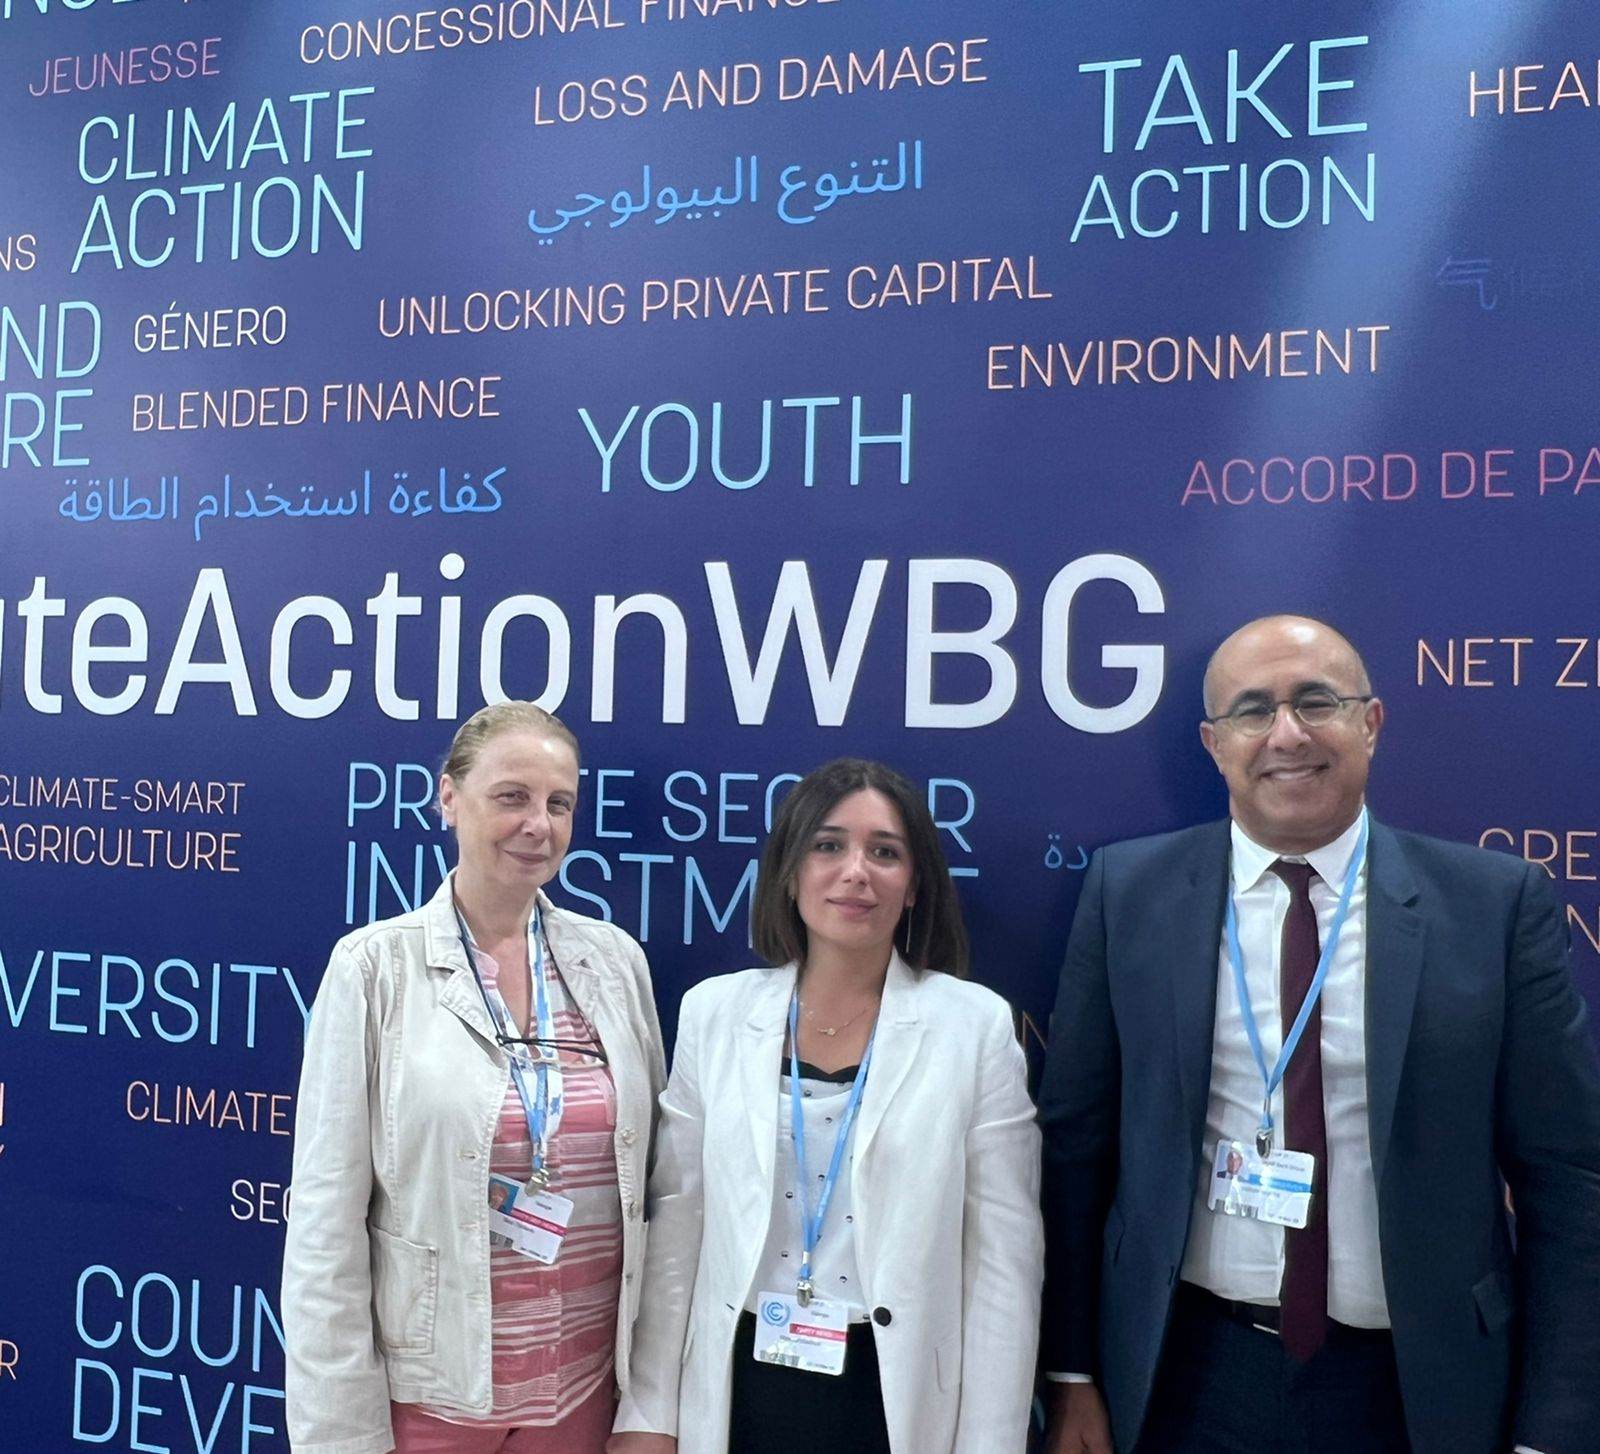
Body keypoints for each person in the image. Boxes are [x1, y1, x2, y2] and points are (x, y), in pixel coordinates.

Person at [1040, 615, 1600, 1454]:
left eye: (1316, 702)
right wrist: (1072, 1371)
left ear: (1370, 723)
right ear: (1214, 744)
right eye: (1253, 710)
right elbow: (1075, 1149)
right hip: (1185, 1377)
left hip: (1419, 1390)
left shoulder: (1494, 905)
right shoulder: (1129, 892)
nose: (1287, 735)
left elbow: (1568, 1178)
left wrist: (1553, 1430)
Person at [609, 758, 1043, 1454]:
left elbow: (1003, 1266)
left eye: (885, 852)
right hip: (736, 1389)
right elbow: (677, 1233)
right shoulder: (714, 1013)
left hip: (893, 1399)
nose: (855, 872)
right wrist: (649, 1413)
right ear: (789, 872)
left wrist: (990, 1443)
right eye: (828, 845)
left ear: (914, 886)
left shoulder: (973, 1026)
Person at [283, 702, 667, 1454]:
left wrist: (647, 1405)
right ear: (450, 798)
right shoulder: (374, 968)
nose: (538, 825)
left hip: (583, 1393)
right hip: (434, 1403)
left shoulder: (613, 963)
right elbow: (325, 1228)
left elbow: (654, 1190)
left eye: (559, 803)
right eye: (512, 797)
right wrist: (341, 1437)